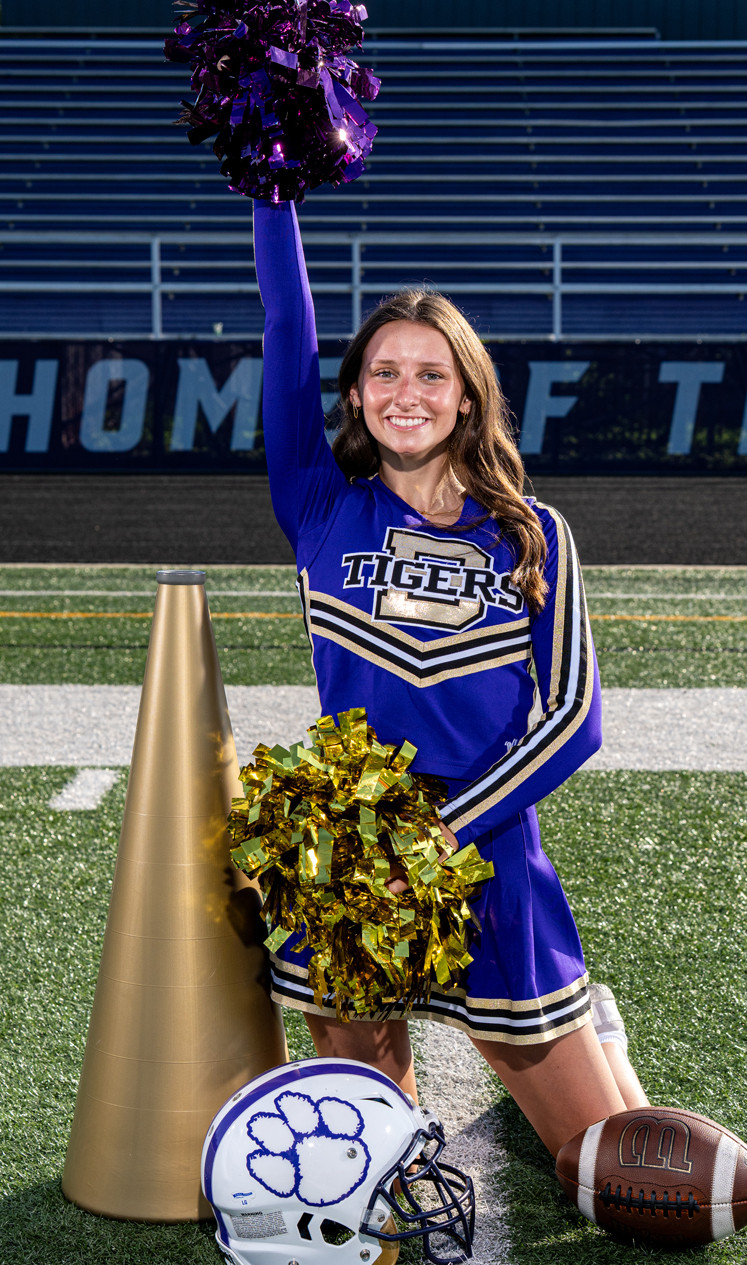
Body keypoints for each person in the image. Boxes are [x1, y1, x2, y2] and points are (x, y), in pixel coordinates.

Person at [253, 198, 649, 1158]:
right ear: (355, 395)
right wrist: (272, 193)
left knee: (604, 1167)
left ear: (466, 396)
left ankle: (596, 1034)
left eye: (431, 374)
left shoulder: (531, 532)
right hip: (352, 863)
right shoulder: (319, 505)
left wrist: (438, 835)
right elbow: (284, 327)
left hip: (485, 855)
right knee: (381, 1160)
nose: (406, 392)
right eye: (383, 373)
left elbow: (575, 719)